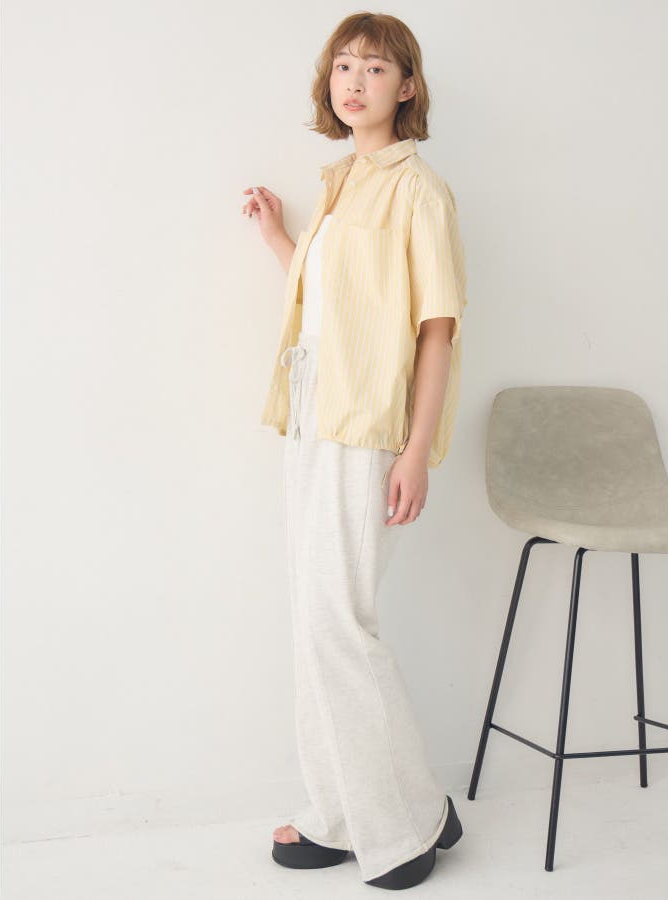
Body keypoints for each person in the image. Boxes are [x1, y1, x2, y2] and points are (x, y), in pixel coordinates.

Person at [243, 12, 467, 890]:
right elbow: (335, 305)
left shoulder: (420, 191)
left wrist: (414, 453)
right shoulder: (340, 184)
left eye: (375, 68)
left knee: (341, 623)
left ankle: (407, 821)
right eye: (344, 66)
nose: (355, 82)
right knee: (315, 620)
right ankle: (342, 811)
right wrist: (279, 240)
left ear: (406, 87)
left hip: (369, 430)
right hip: (311, 416)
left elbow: (436, 331)